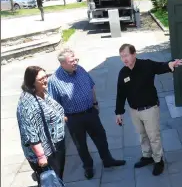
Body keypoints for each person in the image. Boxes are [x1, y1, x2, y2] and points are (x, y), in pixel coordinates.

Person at [48, 48, 126, 180]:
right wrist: (63, 117)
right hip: (73, 118)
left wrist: (95, 103)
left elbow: (91, 86)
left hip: (90, 112)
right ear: (62, 64)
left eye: (75, 59)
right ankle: (88, 166)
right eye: (71, 61)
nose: (75, 63)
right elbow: (53, 103)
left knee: (101, 136)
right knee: (81, 144)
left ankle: (107, 160)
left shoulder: (81, 69)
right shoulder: (54, 81)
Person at [16, 66, 76, 187]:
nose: (45, 80)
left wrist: (60, 117)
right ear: (31, 82)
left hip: (55, 144)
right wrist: (41, 156)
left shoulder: (42, 91)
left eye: (45, 76)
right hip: (43, 151)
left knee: (57, 174)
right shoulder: (27, 104)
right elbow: (30, 134)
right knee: (49, 180)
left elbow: (51, 109)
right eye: (41, 79)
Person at [115, 43, 182, 176]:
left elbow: (160, 67)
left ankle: (158, 161)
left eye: (126, 55)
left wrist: (170, 65)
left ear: (134, 54)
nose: (124, 59)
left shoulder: (146, 65)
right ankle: (147, 156)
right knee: (142, 135)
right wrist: (118, 112)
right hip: (134, 111)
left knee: (154, 137)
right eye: (122, 56)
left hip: (149, 109)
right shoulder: (123, 73)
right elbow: (120, 93)